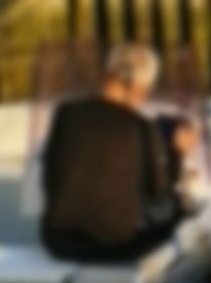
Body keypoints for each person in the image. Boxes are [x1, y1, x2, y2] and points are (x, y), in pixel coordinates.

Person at [40, 43, 197, 264]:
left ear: (108, 73)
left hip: (57, 242)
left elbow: (49, 178)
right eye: (146, 91)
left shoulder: (64, 113)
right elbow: (159, 194)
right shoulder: (141, 128)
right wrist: (178, 154)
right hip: (115, 247)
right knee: (180, 213)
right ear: (137, 88)